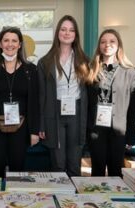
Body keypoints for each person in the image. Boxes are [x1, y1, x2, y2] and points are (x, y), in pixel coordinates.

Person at [0, 26, 39, 178]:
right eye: (6, 40)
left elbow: (34, 103)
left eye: (14, 41)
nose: (10, 44)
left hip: (21, 128)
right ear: (0, 44)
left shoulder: (30, 70)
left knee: (17, 168)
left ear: (20, 44)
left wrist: (34, 131)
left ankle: (14, 199)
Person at [37, 15, 90, 177]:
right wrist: (41, 125)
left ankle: (73, 201)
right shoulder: (45, 62)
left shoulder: (85, 61)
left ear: (76, 35)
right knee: (58, 164)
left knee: (74, 164)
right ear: (58, 33)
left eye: (71, 30)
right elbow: (41, 96)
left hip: (77, 113)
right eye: (63, 29)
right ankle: (58, 198)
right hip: (54, 114)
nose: (67, 33)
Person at [87, 29, 135, 177]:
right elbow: (86, 104)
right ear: (99, 46)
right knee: (97, 170)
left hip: (119, 130)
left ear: (118, 45)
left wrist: (131, 135)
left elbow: (133, 108)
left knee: (116, 170)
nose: (107, 45)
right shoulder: (90, 70)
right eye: (103, 42)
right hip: (96, 130)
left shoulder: (131, 72)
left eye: (112, 41)